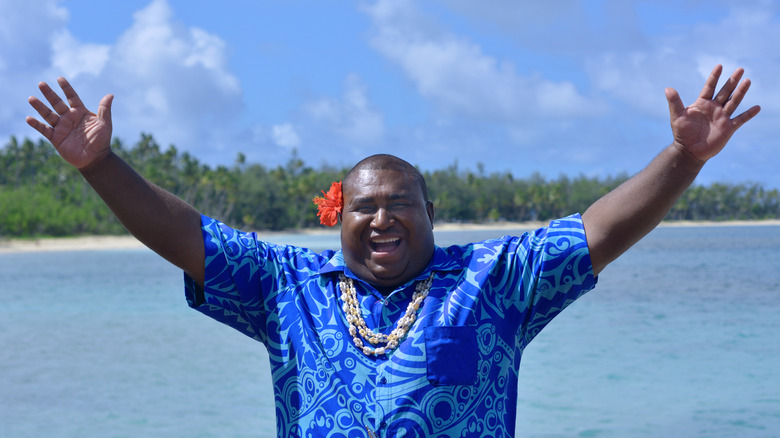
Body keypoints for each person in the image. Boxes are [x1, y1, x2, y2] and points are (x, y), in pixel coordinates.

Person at [26, 65, 760, 437]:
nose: (382, 219)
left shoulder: (493, 280)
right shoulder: (290, 287)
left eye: (400, 204)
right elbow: (187, 238)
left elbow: (598, 231)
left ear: (431, 216)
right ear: (337, 216)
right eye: (365, 206)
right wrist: (99, 167)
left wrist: (684, 161)